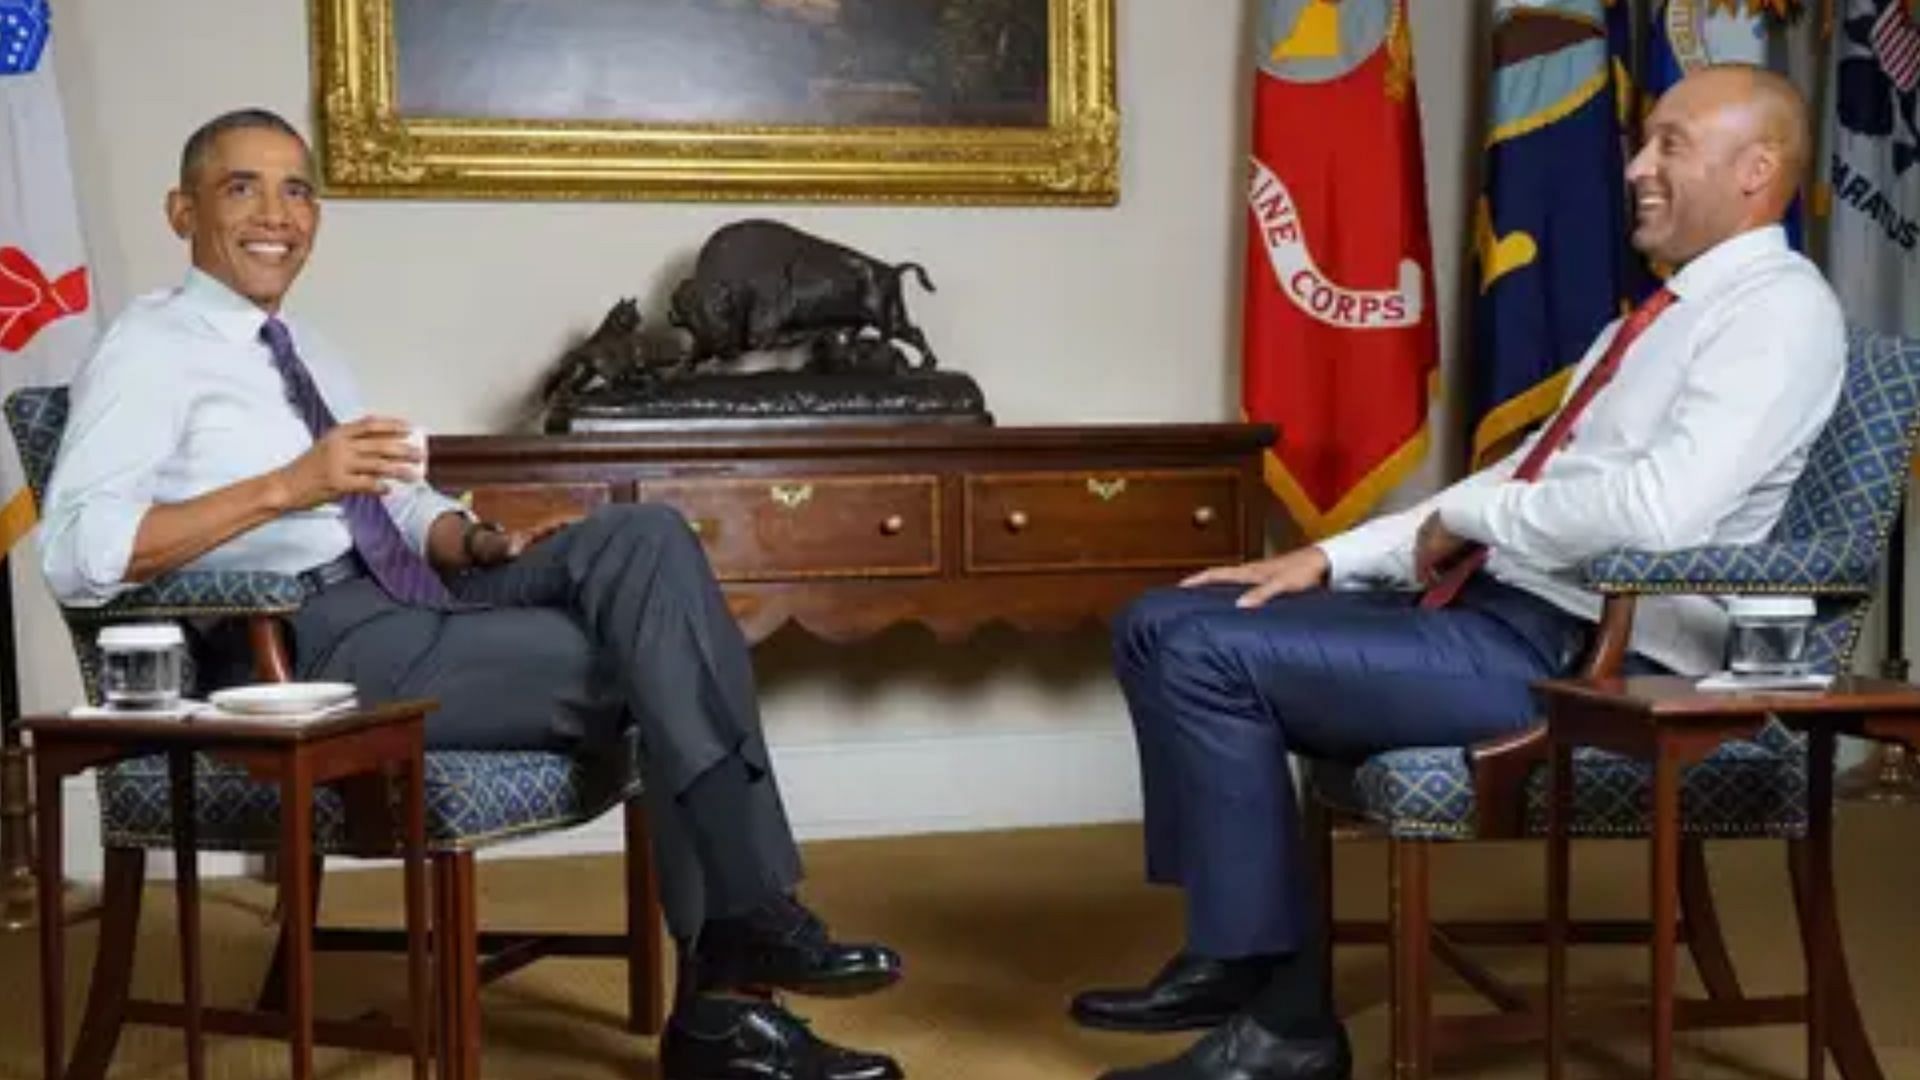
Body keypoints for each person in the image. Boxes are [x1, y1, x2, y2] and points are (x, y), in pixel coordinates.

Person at [40, 108, 905, 1080]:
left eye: (297, 189)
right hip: (307, 648)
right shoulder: (147, 347)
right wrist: (290, 486)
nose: (276, 213)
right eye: (243, 186)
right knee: (673, 653)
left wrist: (479, 537)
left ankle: (741, 946)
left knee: (647, 540)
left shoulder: (307, 348)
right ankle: (730, 996)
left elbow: (393, 501)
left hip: (412, 600)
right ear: (181, 210)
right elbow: (78, 553)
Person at [1071, 64, 1843, 1080]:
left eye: (1670, 145)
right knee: (1164, 617)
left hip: (1590, 660)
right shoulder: (1655, 319)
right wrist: (1326, 557)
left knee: (1198, 649)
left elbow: (1659, 513)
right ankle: (1239, 957)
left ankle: (1285, 1024)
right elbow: (1516, 482)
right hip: (1500, 612)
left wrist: (1478, 512)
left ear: (1758, 171)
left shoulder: (1777, 314)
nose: (1637, 167)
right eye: (1642, 141)